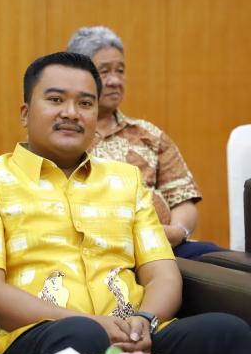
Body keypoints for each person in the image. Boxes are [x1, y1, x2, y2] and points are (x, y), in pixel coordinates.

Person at [0, 52, 250, 354]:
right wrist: (93, 325)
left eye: (85, 103)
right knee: (81, 334)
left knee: (226, 331)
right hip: (40, 336)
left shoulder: (126, 180)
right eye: (55, 100)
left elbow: (162, 274)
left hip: (133, 334)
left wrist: (144, 321)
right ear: (25, 114)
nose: (71, 113)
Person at [67, 26, 225, 260]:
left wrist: (177, 232)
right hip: (98, 253)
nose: (115, 80)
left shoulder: (148, 134)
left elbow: (183, 199)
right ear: (78, 76)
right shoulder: (66, 134)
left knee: (223, 262)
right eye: (104, 71)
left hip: (167, 247)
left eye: (120, 71)